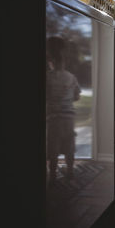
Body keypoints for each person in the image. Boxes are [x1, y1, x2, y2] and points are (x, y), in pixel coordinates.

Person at [46, 36, 81, 183]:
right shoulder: (71, 77)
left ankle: (53, 174)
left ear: (51, 63)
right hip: (68, 117)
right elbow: (77, 96)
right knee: (69, 144)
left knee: (53, 146)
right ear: (63, 63)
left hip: (53, 118)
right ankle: (70, 171)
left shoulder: (47, 77)